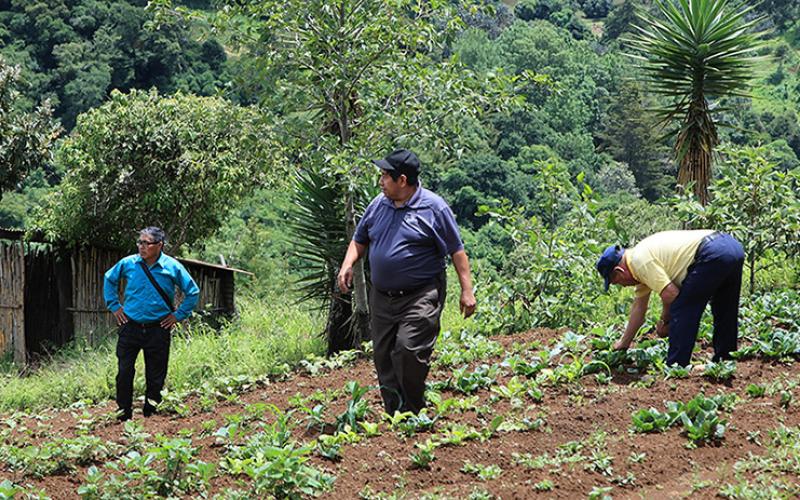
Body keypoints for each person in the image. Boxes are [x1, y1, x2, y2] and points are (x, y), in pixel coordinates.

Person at [337, 149, 476, 414]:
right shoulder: (378, 204)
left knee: (408, 350)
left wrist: (466, 291)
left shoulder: (434, 208)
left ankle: (413, 411)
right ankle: (395, 414)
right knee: (383, 356)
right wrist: (347, 264)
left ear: (402, 180)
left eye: (385, 176)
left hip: (421, 293)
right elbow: (360, 239)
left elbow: (457, 251)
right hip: (382, 295)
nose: (380, 181)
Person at [596, 230, 745, 367]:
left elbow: (671, 295)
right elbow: (638, 309)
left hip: (712, 253)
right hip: (731, 247)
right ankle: (725, 360)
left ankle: (677, 366)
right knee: (725, 307)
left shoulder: (640, 263)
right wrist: (624, 343)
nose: (622, 286)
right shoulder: (638, 260)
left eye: (616, 282)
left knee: (682, 309)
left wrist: (665, 321)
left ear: (619, 271)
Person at [104, 227, 200, 421]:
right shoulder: (128, 263)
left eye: (147, 243)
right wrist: (114, 306)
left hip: (159, 328)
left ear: (160, 245)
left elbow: (193, 292)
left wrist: (178, 315)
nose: (142, 247)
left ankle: (151, 414)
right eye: (140, 242)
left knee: (156, 375)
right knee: (124, 371)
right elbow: (109, 279)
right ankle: (124, 413)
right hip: (130, 326)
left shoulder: (172, 266)